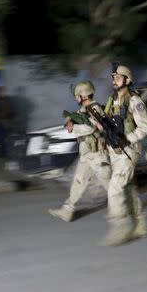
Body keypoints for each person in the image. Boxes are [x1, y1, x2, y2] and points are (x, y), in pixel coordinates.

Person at [99, 65, 147, 246]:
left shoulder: (134, 100)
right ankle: (141, 225)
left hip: (128, 151)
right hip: (115, 152)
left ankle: (119, 227)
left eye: (118, 77)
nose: (114, 80)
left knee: (114, 187)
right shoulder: (111, 99)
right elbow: (107, 124)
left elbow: (144, 127)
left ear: (127, 80)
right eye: (113, 77)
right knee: (128, 189)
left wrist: (127, 139)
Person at [48, 81, 111, 222]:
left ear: (82, 95)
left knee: (110, 185)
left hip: (97, 154)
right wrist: (69, 121)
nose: (75, 98)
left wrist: (73, 128)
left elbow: (90, 128)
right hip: (86, 153)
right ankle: (67, 210)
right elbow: (73, 117)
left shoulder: (95, 109)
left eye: (77, 95)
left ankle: (126, 210)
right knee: (78, 181)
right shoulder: (84, 108)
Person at [0, 86, 15, 157]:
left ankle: (8, 152)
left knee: (6, 137)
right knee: (0, 138)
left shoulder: (7, 100)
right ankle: (2, 152)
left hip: (6, 122)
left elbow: (10, 111)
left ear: (2, 92)